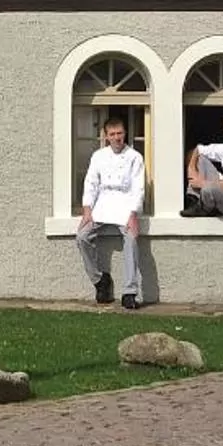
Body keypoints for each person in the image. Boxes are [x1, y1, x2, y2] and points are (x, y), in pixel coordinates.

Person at [75, 113, 146, 307]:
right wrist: (87, 210)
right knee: (82, 237)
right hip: (103, 202)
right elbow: (91, 182)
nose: (117, 137)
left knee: (131, 239)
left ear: (125, 133)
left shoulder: (134, 157)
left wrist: (133, 214)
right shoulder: (98, 156)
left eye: (120, 133)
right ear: (106, 136)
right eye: (112, 134)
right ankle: (99, 280)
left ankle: (130, 292)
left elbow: (138, 187)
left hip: (125, 203)